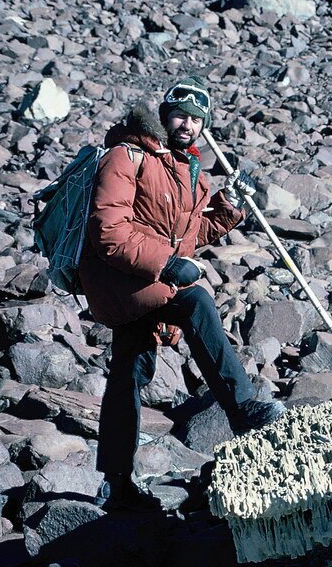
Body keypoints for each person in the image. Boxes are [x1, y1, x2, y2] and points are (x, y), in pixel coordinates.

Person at [80, 75, 285, 511]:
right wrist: (168, 264)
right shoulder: (127, 155)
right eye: (180, 115)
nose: (188, 124)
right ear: (163, 114)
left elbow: (188, 235)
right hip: (124, 281)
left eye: (196, 119)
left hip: (146, 281)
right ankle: (243, 410)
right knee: (195, 300)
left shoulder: (185, 168)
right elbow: (108, 231)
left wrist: (229, 206)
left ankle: (117, 483)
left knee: (128, 374)